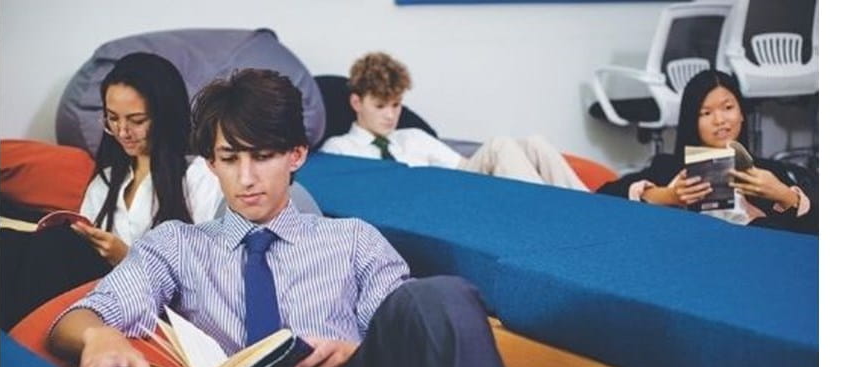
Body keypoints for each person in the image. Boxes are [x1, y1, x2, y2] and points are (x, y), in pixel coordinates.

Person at [48, 68, 541, 367]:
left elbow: (404, 331)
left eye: (263, 156)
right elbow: (75, 319)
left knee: (443, 297)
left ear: (296, 155)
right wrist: (99, 336)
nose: (246, 178)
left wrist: (355, 354)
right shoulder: (176, 244)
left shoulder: (352, 239)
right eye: (230, 158)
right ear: (211, 164)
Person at [0, 52, 222, 330]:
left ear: (165, 116)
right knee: (8, 243)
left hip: (147, 303)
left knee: (55, 245)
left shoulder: (199, 176)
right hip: (89, 295)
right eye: (113, 119)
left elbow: (208, 278)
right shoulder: (105, 182)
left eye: (137, 120)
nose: (123, 132)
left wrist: (126, 258)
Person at [320, 51, 588, 191]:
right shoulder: (340, 148)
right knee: (499, 144)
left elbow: (466, 168)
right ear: (357, 103)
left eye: (396, 105)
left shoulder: (413, 137)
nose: (390, 115)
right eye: (380, 106)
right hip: (426, 204)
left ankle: (592, 207)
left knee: (533, 142)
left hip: (459, 190)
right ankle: (546, 210)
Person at [597, 69, 817, 235]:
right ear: (691, 121)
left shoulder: (768, 173)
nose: (720, 120)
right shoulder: (667, 168)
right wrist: (667, 196)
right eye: (706, 113)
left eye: (728, 108)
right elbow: (603, 198)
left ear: (742, 113)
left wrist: (784, 195)